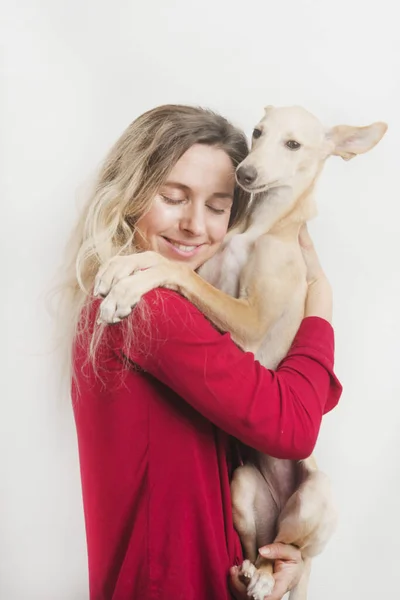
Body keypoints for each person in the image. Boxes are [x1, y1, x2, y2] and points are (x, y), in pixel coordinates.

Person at [62, 104, 342, 600]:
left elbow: (259, 421)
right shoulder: (147, 310)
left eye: (218, 207)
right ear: (128, 195)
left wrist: (277, 556)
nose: (195, 225)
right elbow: (293, 425)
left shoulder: (162, 305)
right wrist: (320, 303)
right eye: (173, 198)